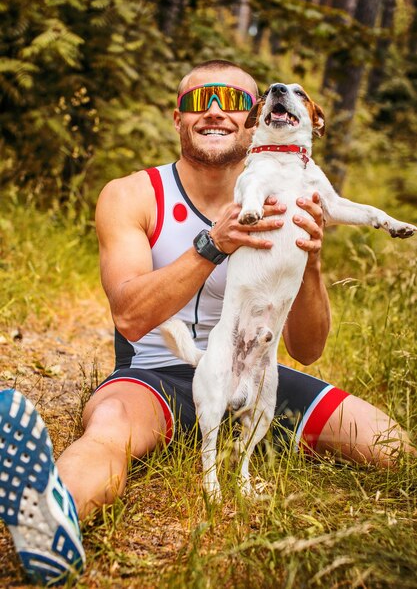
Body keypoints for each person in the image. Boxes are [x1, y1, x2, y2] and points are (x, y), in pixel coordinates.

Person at [0, 59, 415, 585]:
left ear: (255, 119)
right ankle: (48, 523)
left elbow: (307, 351)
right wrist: (212, 243)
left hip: (254, 369)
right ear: (178, 119)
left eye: (232, 101)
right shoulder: (133, 194)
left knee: (390, 445)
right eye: (199, 101)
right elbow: (129, 315)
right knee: (106, 433)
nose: (214, 111)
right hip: (154, 375)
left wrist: (310, 261)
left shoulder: (293, 194)